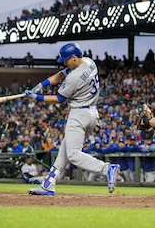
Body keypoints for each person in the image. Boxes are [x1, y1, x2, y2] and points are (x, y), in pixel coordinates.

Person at [25, 42, 120, 195]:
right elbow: (61, 74)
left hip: (79, 114)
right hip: (92, 114)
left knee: (73, 154)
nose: (64, 63)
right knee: (65, 149)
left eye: (66, 60)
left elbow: (59, 99)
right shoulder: (90, 62)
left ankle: (106, 169)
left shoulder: (74, 77)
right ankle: (49, 183)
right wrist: (42, 84)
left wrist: (37, 97)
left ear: (74, 58)